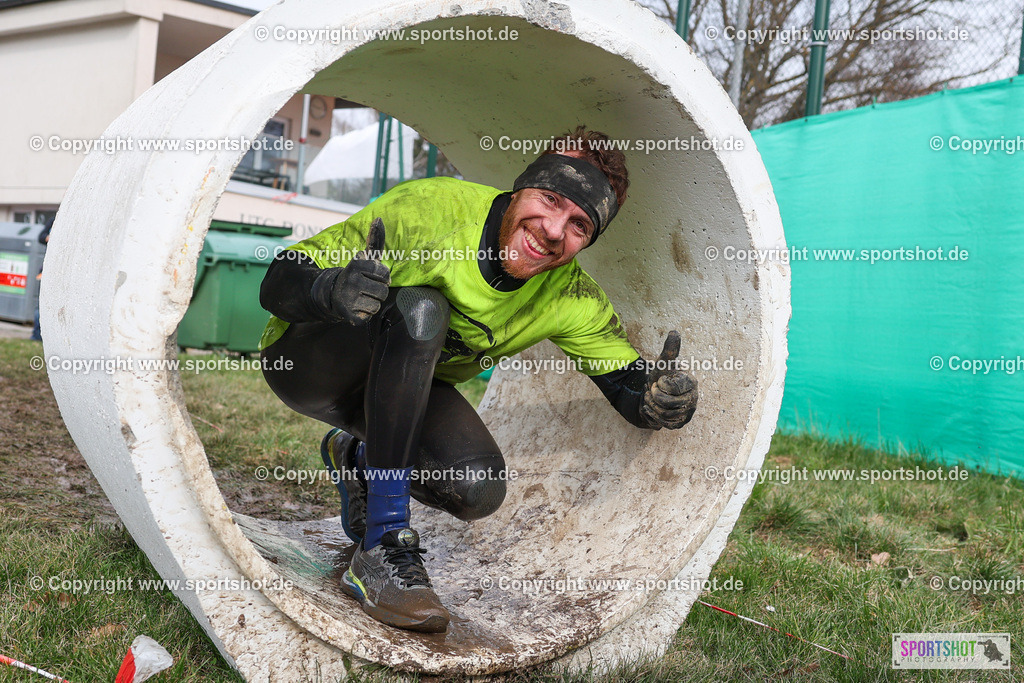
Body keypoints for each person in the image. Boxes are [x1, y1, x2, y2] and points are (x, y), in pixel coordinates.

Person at [258, 126, 698, 633]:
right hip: (310, 362)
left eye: (579, 225)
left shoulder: (570, 296)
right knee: (423, 308)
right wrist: (330, 288)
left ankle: (358, 457)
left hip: (397, 399)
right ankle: (381, 547)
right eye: (550, 199)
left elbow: (625, 382)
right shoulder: (431, 209)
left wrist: (657, 399)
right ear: (518, 188)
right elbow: (278, 281)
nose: (554, 230)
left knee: (477, 489)